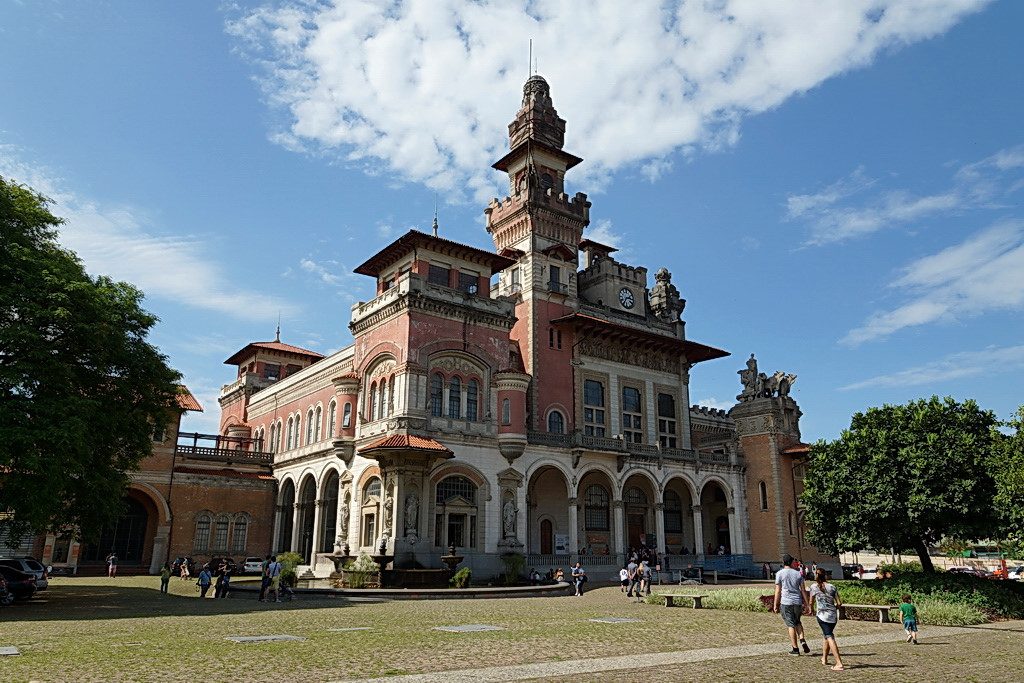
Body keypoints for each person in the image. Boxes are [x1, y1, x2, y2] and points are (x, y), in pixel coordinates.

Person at [773, 554, 811, 655]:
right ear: (791, 562)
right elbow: (803, 590)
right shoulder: (798, 574)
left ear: (783, 562)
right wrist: (807, 604)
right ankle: (802, 639)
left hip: (786, 602)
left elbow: (778, 590)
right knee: (798, 622)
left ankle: (795, 649)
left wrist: (775, 604)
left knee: (791, 625)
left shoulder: (780, 573)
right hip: (797, 601)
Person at [808, 567, 846, 671]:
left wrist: (810, 610)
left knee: (829, 637)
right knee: (826, 635)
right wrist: (834, 608)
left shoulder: (814, 587)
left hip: (822, 616)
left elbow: (811, 602)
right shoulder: (832, 587)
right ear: (825, 575)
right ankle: (824, 658)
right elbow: (839, 603)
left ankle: (839, 663)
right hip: (833, 616)